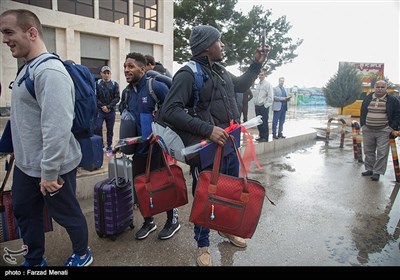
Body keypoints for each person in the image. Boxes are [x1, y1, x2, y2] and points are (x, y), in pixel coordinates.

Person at [158, 24, 268, 266]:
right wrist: (207, 130)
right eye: (219, 41)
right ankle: (202, 244)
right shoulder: (188, 74)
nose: (223, 45)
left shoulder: (219, 69)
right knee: (206, 195)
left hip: (229, 143)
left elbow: (239, 85)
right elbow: (170, 111)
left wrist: (256, 63)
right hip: (208, 150)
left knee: (230, 189)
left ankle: (226, 228)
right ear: (207, 46)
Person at [0, 9, 92, 266]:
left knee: (66, 214)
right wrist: (14, 149)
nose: (5, 40)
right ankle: (35, 258)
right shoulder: (27, 69)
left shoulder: (50, 72)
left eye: (9, 32)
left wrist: (49, 172)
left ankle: (83, 253)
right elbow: (24, 119)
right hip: (26, 165)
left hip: (52, 167)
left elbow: (57, 127)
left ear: (31, 32)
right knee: (25, 213)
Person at [119, 52, 181, 240]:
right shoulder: (126, 92)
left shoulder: (155, 87)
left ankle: (173, 219)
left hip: (157, 148)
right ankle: (149, 221)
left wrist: (160, 131)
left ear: (143, 68)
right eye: (125, 67)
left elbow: (174, 111)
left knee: (164, 183)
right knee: (141, 187)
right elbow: (125, 114)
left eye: (131, 66)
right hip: (138, 149)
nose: (126, 70)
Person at [360, 80, 400, 181]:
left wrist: (392, 127)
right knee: (368, 151)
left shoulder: (392, 100)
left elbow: (397, 114)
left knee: (382, 153)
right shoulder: (368, 98)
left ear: (386, 88)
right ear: (374, 88)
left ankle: (377, 172)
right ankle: (369, 169)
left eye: (382, 87)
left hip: (384, 130)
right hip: (368, 129)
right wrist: (363, 125)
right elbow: (363, 111)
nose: (380, 89)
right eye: (378, 87)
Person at [95, 66, 120, 153]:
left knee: (110, 129)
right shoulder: (97, 84)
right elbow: (95, 97)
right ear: (101, 74)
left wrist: (109, 107)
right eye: (104, 73)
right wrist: (102, 106)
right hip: (100, 110)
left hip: (111, 111)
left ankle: (109, 145)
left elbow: (117, 98)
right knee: (98, 127)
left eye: (108, 73)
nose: (106, 75)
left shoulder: (114, 84)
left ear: (110, 74)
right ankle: (100, 144)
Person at [253, 69, 273, 142]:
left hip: (263, 106)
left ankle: (265, 137)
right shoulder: (258, 84)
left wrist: (265, 106)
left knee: (264, 122)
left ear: (265, 75)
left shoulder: (267, 84)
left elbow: (270, 96)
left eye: (262, 75)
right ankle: (261, 136)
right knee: (258, 122)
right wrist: (255, 103)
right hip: (257, 106)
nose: (260, 76)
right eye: (259, 75)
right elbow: (255, 96)